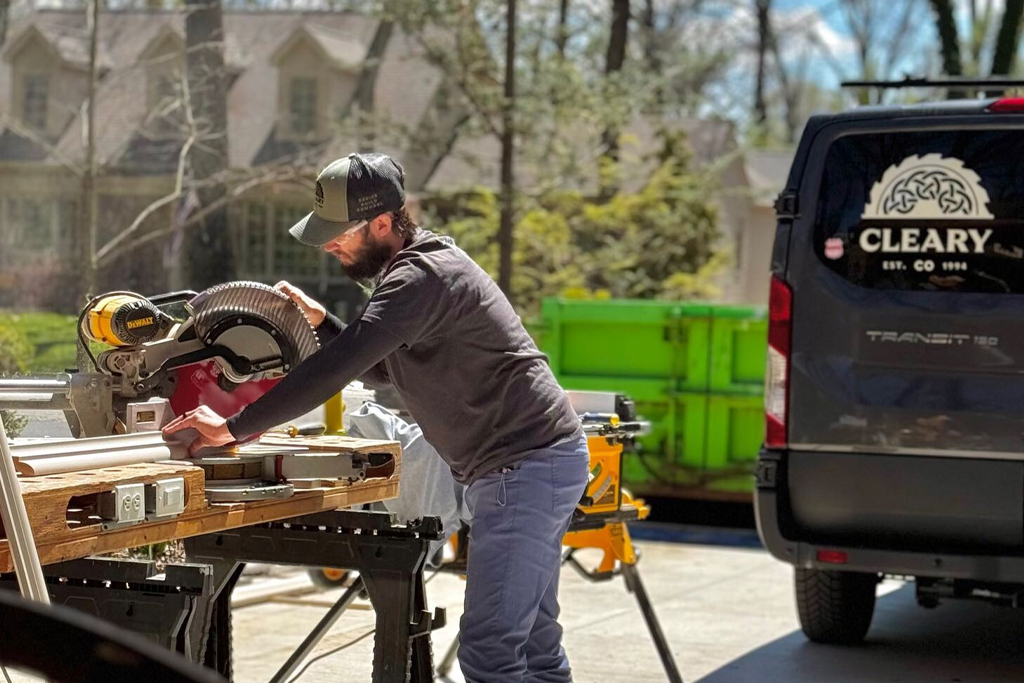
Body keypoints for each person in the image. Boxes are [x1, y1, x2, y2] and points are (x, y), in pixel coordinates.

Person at [163, 152, 589, 683]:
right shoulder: (422, 269)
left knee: (491, 654)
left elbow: (335, 371)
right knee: (536, 647)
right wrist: (324, 324)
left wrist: (233, 427)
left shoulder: (419, 278)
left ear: (383, 222)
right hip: (530, 465)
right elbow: (386, 369)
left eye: (339, 233)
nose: (328, 244)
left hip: (521, 469)